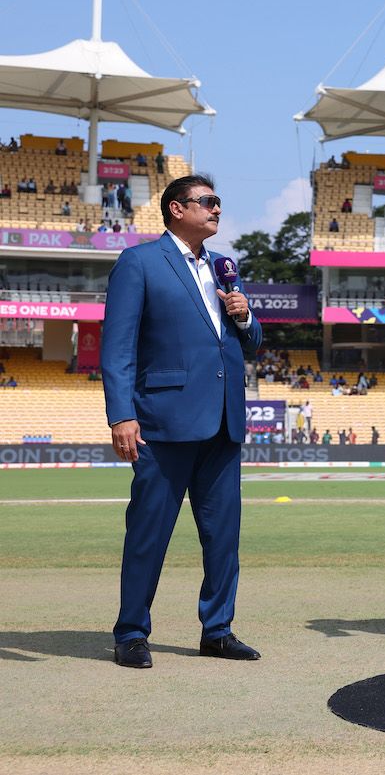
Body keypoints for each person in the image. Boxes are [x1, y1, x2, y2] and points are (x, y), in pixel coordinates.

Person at [101, 175, 263, 669]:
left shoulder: (224, 268)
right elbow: (118, 345)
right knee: (149, 531)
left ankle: (217, 629)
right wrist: (122, 414)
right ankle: (131, 631)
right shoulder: (140, 262)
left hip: (222, 422)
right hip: (163, 422)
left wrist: (244, 315)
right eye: (207, 202)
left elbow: (250, 344)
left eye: (218, 202)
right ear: (176, 208)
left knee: (223, 537)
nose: (217, 209)